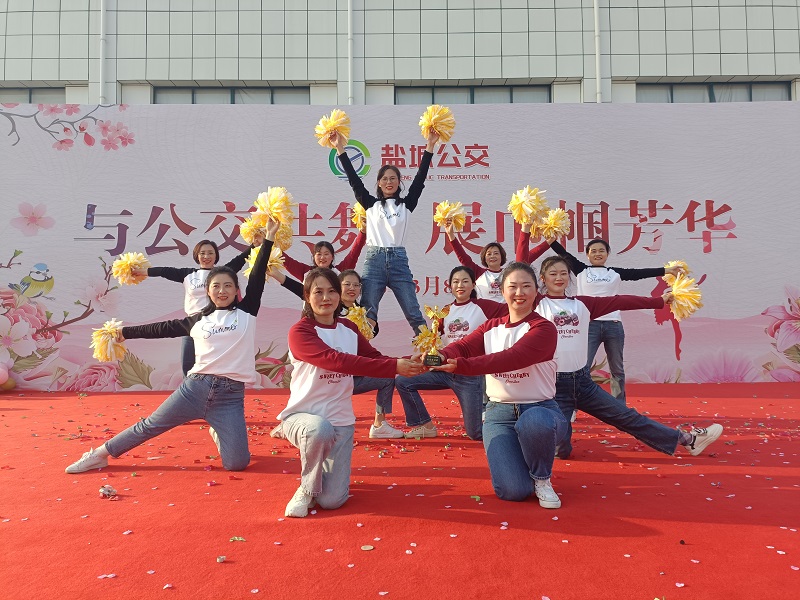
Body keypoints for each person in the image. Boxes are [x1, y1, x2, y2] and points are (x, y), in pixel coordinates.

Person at [65, 219, 281, 475]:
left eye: (228, 286)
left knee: (237, 464)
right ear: (208, 291)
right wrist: (123, 333)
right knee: (149, 425)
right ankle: (99, 454)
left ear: (236, 291)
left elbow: (257, 275)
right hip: (195, 389)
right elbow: (161, 328)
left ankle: (219, 429)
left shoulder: (246, 312)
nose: (222, 291)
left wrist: (268, 238)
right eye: (216, 286)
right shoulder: (197, 320)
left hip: (230, 398)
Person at [533, 255, 722, 459]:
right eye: (553, 274)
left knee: (626, 416)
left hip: (582, 382)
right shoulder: (536, 304)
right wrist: (529, 236)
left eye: (563, 273)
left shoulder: (582, 304)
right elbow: (521, 263)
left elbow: (620, 301)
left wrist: (658, 301)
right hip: (554, 386)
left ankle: (688, 440)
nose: (559, 278)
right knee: (560, 451)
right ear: (543, 278)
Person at [271, 268, 425, 517]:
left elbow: (374, 357)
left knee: (332, 501)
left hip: (340, 420)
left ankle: (319, 479)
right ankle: (306, 489)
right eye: (318, 292)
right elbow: (334, 360)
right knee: (318, 429)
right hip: (304, 416)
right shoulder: (300, 331)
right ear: (307, 296)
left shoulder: (349, 328)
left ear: (339, 295)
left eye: (332, 291)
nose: (326, 298)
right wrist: (395, 366)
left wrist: (408, 361)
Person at [431, 262, 568, 508]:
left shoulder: (544, 328)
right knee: (513, 491)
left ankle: (541, 477)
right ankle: (523, 465)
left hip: (540, 409)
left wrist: (460, 365)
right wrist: (441, 355)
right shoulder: (491, 326)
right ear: (502, 291)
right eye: (512, 287)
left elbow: (511, 358)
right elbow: (463, 346)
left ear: (536, 290)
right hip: (499, 414)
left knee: (534, 422)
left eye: (526, 286)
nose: (519, 293)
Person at [550, 238, 685, 404]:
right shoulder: (581, 270)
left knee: (617, 369)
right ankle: (574, 406)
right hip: (589, 326)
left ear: (607, 254)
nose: (597, 254)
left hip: (613, 325)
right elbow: (563, 254)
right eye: (593, 251)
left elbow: (639, 273)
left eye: (601, 251)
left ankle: (619, 406)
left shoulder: (615, 273)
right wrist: (551, 241)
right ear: (587, 255)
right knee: (582, 368)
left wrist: (667, 270)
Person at [333, 129, 439, 334]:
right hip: (375, 261)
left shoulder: (407, 204)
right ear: (379, 183)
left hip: (399, 261)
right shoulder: (370, 204)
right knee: (367, 314)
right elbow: (354, 180)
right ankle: (359, 351)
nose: (389, 182)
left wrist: (430, 146)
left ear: (399, 182)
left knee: (413, 312)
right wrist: (339, 148)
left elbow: (420, 178)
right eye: (384, 179)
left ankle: (430, 351)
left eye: (393, 178)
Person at [395, 266, 508, 440]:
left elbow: (513, 310)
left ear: (473, 285)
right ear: (450, 286)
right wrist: (426, 357)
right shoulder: (445, 311)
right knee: (403, 381)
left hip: (470, 375)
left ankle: (507, 428)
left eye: (465, 281)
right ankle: (425, 425)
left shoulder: (484, 306)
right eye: (456, 282)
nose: (460, 285)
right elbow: (434, 340)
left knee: (475, 433)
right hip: (445, 372)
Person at [130, 239, 252, 375]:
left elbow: (240, 259)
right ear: (197, 256)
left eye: (210, 253)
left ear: (216, 256)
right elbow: (164, 271)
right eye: (202, 253)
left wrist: (255, 245)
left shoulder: (222, 274)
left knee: (218, 364)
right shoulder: (188, 274)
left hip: (217, 323)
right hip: (193, 323)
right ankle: (190, 387)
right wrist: (142, 272)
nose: (206, 256)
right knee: (188, 365)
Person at [444, 218, 550, 302]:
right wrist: (451, 235)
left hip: (507, 315)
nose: (492, 256)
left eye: (496, 253)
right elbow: (463, 257)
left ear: (502, 256)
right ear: (484, 258)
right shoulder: (478, 273)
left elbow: (525, 258)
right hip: (485, 317)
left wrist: (549, 242)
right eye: (489, 254)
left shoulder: (509, 273)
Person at [282, 234, 366, 281]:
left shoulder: (340, 272)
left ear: (332, 257)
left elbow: (354, 253)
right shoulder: (306, 272)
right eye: (319, 254)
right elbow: (286, 261)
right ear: (314, 257)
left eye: (326, 254)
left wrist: (363, 232)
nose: (322, 257)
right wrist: (273, 237)